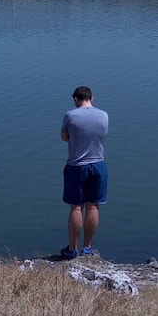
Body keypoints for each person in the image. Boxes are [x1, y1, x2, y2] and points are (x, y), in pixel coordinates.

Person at [59, 85, 108, 259]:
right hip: (98, 165)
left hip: (76, 166)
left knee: (76, 207)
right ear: (91, 98)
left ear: (75, 100)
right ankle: (87, 248)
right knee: (93, 206)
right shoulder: (104, 115)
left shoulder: (70, 115)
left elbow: (64, 136)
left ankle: (72, 249)